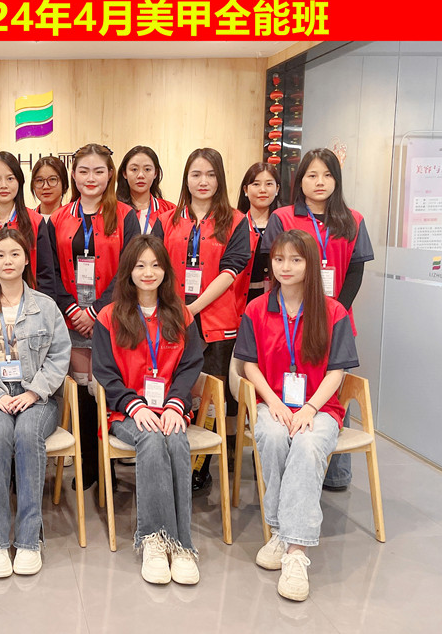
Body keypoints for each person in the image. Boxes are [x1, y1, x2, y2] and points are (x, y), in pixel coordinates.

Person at [233, 229, 359, 601]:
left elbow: (337, 371)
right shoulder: (257, 308)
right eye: (278, 259)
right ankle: (280, 531)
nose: (285, 267)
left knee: (306, 444)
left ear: (311, 264)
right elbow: (249, 364)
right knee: (272, 436)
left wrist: (310, 407)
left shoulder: (333, 311)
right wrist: (272, 401)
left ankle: (294, 551)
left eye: (295, 259)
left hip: (319, 407)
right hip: (272, 402)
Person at [0, 228, 70, 578]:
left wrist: (33, 392)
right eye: (0, 254)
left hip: (37, 399)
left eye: (15, 254)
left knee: (27, 433)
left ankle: (30, 538)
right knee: (0, 434)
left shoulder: (45, 307)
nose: (8, 261)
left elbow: (59, 356)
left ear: (26, 259)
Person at [92, 235, 204, 585]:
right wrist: (132, 404)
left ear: (166, 271)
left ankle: (182, 545)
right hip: (127, 413)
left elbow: (190, 365)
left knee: (176, 439)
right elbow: (104, 371)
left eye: (155, 265)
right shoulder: (110, 316)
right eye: (140, 265)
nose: (148, 272)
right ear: (128, 271)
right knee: (152, 439)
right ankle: (155, 540)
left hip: (170, 408)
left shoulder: (181, 314)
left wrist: (176, 404)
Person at [261, 148, 373, 491]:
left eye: (327, 175)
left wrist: (332, 313)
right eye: (311, 175)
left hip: (335, 319)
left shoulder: (353, 220)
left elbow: (355, 272)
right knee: (290, 386)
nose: (319, 182)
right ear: (300, 181)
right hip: (290, 320)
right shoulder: (282, 217)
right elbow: (272, 267)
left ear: (336, 180)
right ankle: (293, 467)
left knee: (332, 391)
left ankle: (336, 474)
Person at [152, 148, 250, 492]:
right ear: (186, 178)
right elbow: (154, 266)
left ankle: (200, 467)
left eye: (210, 174)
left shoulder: (236, 221)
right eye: (196, 174)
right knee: (176, 391)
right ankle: (172, 459)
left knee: (212, 399)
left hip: (216, 322)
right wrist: (174, 308)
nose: (203, 181)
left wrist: (193, 309)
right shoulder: (167, 220)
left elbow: (231, 270)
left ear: (220, 179)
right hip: (171, 320)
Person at [48, 143, 140, 490]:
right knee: (84, 396)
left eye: (99, 171)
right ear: (73, 175)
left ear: (110, 175)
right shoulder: (58, 218)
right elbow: (48, 273)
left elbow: (130, 269)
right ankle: (89, 467)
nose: (91, 178)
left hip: (113, 317)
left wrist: (96, 309)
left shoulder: (126, 216)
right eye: (83, 171)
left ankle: (109, 467)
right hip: (71, 318)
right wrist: (72, 309)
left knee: (110, 388)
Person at [0, 151, 55, 295]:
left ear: (19, 181)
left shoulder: (36, 221)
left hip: (27, 305)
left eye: (10, 178)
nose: (3, 185)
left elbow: (46, 276)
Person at [234, 163, 281, 310]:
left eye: (269, 184)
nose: (262, 190)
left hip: (277, 299)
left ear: (277, 189)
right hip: (239, 301)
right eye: (256, 184)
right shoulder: (234, 224)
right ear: (245, 190)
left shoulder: (284, 224)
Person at [116, 145, 172, 233]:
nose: (141, 175)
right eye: (134, 169)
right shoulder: (113, 210)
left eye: (147, 169)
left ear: (155, 173)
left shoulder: (169, 210)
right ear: (124, 173)